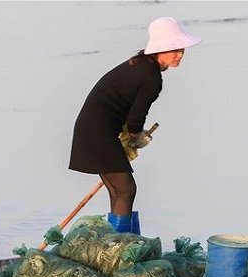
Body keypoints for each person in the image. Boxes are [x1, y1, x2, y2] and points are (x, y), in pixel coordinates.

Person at [69, 17, 201, 234]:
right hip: (98, 133)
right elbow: (136, 117)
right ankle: (121, 248)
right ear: (159, 50)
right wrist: (136, 137)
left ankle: (120, 242)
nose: (180, 55)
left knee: (118, 191)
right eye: (174, 49)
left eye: (182, 49)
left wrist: (130, 136)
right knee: (126, 190)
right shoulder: (151, 77)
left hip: (92, 130)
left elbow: (129, 113)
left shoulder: (140, 64)